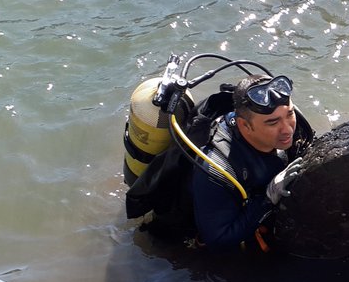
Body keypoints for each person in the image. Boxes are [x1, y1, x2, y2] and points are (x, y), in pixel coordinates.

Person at [126, 73, 315, 251]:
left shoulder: (280, 127)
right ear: (244, 125)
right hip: (195, 237)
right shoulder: (216, 171)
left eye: (289, 114)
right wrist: (267, 199)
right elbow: (218, 240)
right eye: (272, 123)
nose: (287, 129)